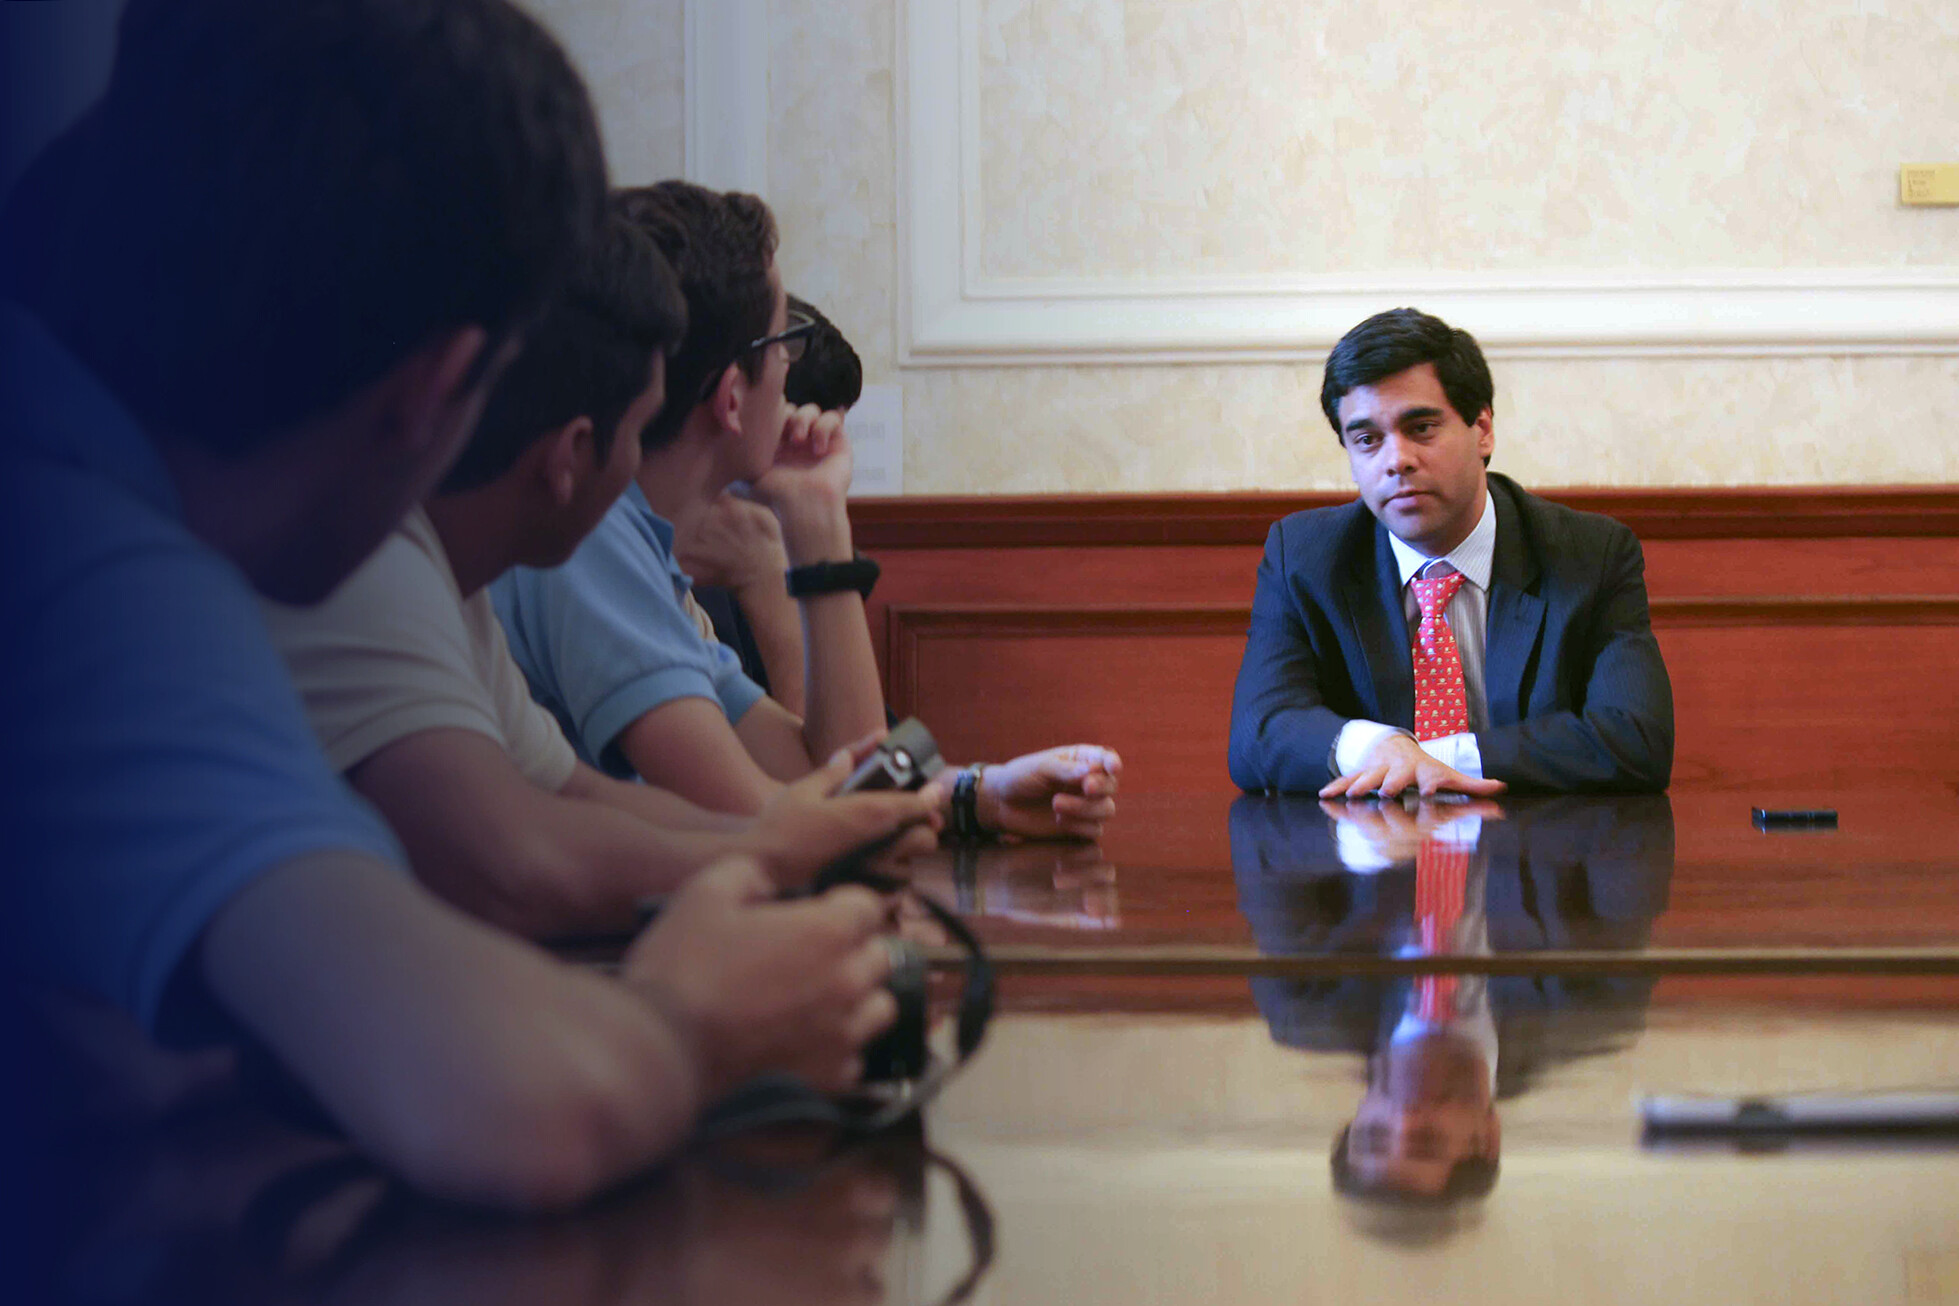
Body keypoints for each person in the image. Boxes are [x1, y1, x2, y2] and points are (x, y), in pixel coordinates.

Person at [1, 0, 920, 1211]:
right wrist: (691, 1024)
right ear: (436, 392)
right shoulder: (98, 565)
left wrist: (763, 848)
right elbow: (515, 1098)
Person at [263, 214, 938, 940]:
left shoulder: (447, 580)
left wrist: (786, 846)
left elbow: (573, 796)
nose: (635, 483)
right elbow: (510, 869)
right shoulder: (378, 564)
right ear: (572, 453)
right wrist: (781, 860)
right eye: (636, 427)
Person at [492, 181, 1121, 838]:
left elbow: (833, 773)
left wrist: (819, 522)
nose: (792, 374)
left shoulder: (635, 541)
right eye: (782, 343)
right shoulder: (593, 541)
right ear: (732, 398)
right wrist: (946, 799)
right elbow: (806, 830)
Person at [1227, 308, 1674, 798]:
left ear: (1482, 429)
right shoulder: (1306, 558)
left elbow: (1635, 739)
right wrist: (1375, 747)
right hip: (1368, 861)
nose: (1396, 460)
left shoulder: (1590, 554)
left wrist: (1429, 758)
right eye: (1367, 440)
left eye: (1421, 428)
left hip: (1536, 857)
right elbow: (1257, 736)